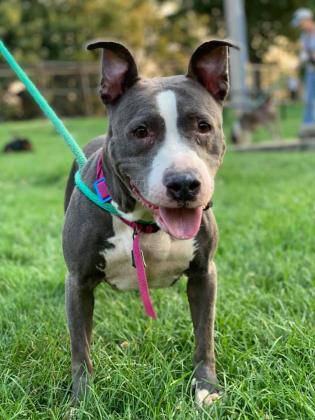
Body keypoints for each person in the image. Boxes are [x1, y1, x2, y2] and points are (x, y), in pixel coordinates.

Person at [292, 8, 315, 138]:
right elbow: (304, 54)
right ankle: (308, 127)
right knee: (309, 99)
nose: (300, 27)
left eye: (300, 23)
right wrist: (298, 64)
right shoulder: (305, 36)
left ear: (307, 20)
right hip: (311, 72)